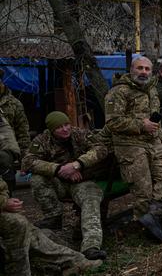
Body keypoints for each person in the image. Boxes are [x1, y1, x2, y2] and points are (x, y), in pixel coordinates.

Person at [104, 56, 162, 243]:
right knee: (143, 190)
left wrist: (160, 133)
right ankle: (145, 233)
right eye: (140, 68)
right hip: (129, 145)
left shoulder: (151, 90)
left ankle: (153, 219)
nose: (144, 72)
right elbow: (112, 122)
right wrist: (140, 125)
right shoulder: (119, 92)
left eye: (147, 69)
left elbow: (152, 118)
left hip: (152, 142)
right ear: (131, 69)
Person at [21, 111, 108, 260]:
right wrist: (59, 169)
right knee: (36, 179)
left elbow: (101, 149)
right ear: (51, 130)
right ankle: (54, 215)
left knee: (91, 198)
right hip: (58, 183)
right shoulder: (42, 140)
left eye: (67, 124)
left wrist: (77, 165)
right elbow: (28, 162)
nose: (65, 129)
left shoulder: (79, 133)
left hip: (82, 181)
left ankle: (91, 246)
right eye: (59, 127)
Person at [0, 176, 103, 275]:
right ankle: (73, 260)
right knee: (17, 223)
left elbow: (2, 187)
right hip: (58, 179)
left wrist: (78, 164)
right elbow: (29, 161)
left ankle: (77, 256)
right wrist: (3, 202)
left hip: (84, 179)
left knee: (38, 232)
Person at [0, 69, 30, 194]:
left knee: (4, 159)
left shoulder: (14, 104)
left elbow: (22, 133)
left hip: (6, 147)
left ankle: (8, 198)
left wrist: (26, 159)